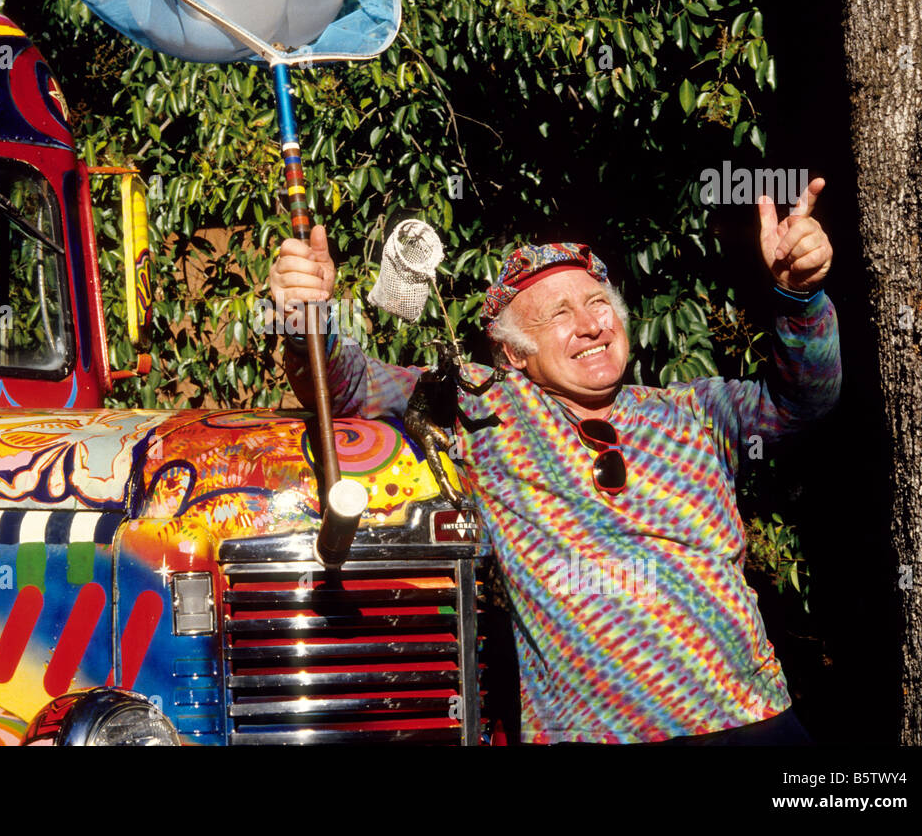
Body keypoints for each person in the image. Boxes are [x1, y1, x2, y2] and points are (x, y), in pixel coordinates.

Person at [266, 180, 840, 744]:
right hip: (597, 734)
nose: (592, 324)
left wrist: (801, 298)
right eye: (560, 314)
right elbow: (350, 386)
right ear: (515, 352)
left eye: (598, 304)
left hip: (752, 719)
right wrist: (303, 318)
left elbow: (806, 398)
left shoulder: (697, 408)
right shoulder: (482, 405)